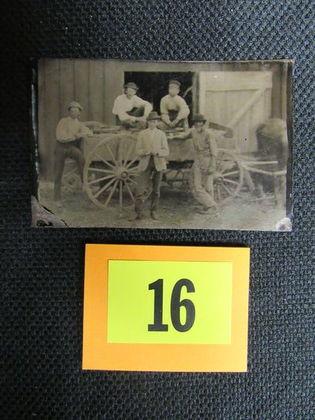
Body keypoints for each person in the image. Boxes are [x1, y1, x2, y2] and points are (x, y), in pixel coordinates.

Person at [174, 114, 219, 213]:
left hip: (207, 159)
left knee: (205, 185)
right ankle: (207, 204)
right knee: (194, 183)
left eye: (200, 122)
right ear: (194, 124)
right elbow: (183, 136)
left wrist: (212, 165)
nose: (198, 124)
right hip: (197, 159)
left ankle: (211, 206)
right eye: (196, 122)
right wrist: (172, 136)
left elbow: (214, 151)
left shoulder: (208, 134)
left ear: (203, 123)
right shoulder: (193, 131)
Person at [134, 111, 169, 220]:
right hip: (145, 163)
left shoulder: (161, 134)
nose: (153, 123)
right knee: (140, 188)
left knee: (156, 190)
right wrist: (145, 151)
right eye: (151, 121)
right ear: (148, 122)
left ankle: (154, 211)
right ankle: (138, 212)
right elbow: (137, 150)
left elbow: (166, 151)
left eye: (155, 121)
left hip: (158, 163)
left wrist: (158, 152)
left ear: (157, 122)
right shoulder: (142, 134)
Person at [54, 101, 92, 202]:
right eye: (72, 110)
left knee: (81, 157)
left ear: (79, 113)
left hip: (71, 148)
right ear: (69, 112)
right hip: (61, 148)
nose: (74, 113)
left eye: (77, 111)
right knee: (58, 172)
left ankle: (84, 182)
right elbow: (60, 137)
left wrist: (88, 132)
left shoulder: (78, 123)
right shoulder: (63, 121)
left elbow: (87, 130)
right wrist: (76, 136)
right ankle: (56, 197)